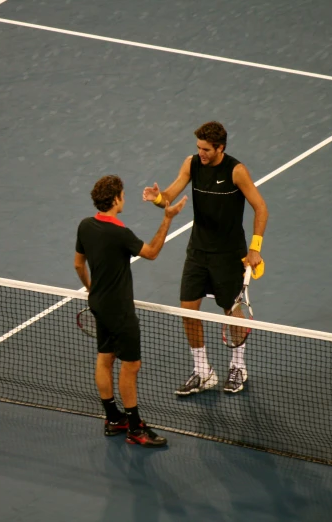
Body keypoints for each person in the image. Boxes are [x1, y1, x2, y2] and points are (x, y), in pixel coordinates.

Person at [142, 121, 268, 394]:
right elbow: (170, 195)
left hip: (229, 254)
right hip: (197, 251)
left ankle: (237, 367)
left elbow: (261, 208)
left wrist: (255, 248)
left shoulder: (236, 171)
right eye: (199, 147)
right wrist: (156, 198)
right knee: (187, 310)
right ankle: (203, 371)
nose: (201, 153)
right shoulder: (192, 164)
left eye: (206, 149)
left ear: (220, 148)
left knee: (231, 314)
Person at [75, 175, 187, 447]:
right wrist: (167, 218)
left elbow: (79, 265)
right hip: (119, 311)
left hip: (99, 304)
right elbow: (151, 253)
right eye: (122, 195)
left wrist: (92, 289)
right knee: (131, 365)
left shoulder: (85, 226)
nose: (124, 198)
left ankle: (113, 419)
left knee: (105, 358)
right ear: (115, 199)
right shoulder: (119, 233)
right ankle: (135, 428)